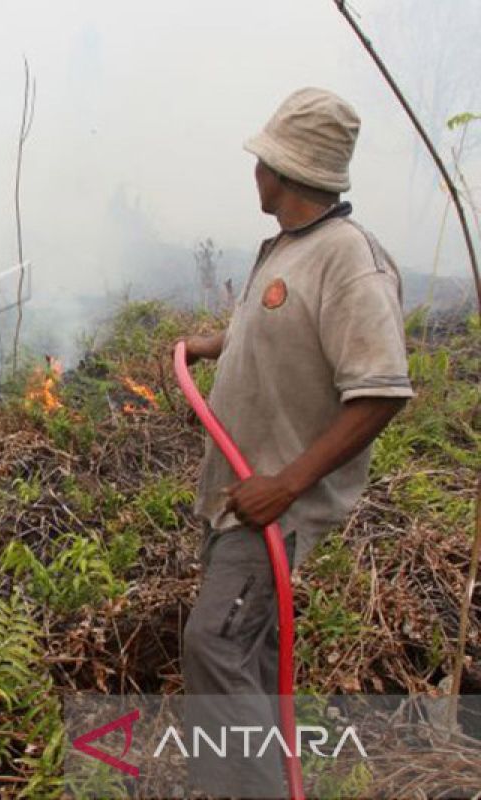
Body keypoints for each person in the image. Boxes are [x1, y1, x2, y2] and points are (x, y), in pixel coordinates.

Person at [178, 87, 413, 797]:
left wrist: (286, 483)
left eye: (264, 160)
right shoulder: (289, 249)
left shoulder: (349, 260)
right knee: (248, 654)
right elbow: (281, 330)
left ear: (287, 169)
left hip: (274, 509)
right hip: (247, 498)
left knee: (214, 644)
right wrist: (217, 343)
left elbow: (379, 391)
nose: (255, 171)